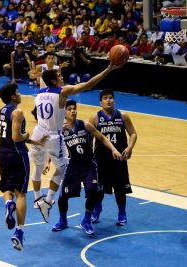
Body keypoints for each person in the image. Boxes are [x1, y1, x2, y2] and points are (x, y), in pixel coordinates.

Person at [31, 63, 125, 223]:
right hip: (54, 136)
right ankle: (47, 201)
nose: (63, 78)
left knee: (37, 167)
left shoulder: (39, 93)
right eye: (60, 77)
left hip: (38, 133)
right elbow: (88, 84)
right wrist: (108, 69)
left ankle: (37, 199)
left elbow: (41, 109)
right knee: (61, 168)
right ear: (54, 82)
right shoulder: (62, 92)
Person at [48, 100, 122, 235]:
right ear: (64, 113)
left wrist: (113, 149)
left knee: (93, 191)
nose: (73, 111)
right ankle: (62, 221)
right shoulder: (61, 131)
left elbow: (102, 138)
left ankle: (86, 221)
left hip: (89, 166)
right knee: (63, 197)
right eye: (69, 109)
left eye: (74, 108)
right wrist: (48, 163)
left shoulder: (85, 125)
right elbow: (53, 148)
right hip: (73, 168)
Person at [0, 83, 47, 251]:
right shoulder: (17, 112)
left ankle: (8, 205)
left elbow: (10, 134)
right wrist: (28, 135)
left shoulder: (2, 111)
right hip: (17, 155)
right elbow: (16, 136)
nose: (20, 94)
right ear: (13, 96)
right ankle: (19, 232)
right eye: (17, 92)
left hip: (3, 154)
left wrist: (35, 141)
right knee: (21, 194)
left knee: (7, 188)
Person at [89, 89, 137, 226]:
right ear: (100, 102)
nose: (108, 100)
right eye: (105, 98)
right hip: (100, 159)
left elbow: (133, 133)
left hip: (119, 158)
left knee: (120, 188)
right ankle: (97, 209)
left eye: (110, 97)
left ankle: (122, 213)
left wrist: (130, 147)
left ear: (114, 100)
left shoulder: (123, 116)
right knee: (98, 188)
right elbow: (89, 138)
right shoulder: (95, 118)